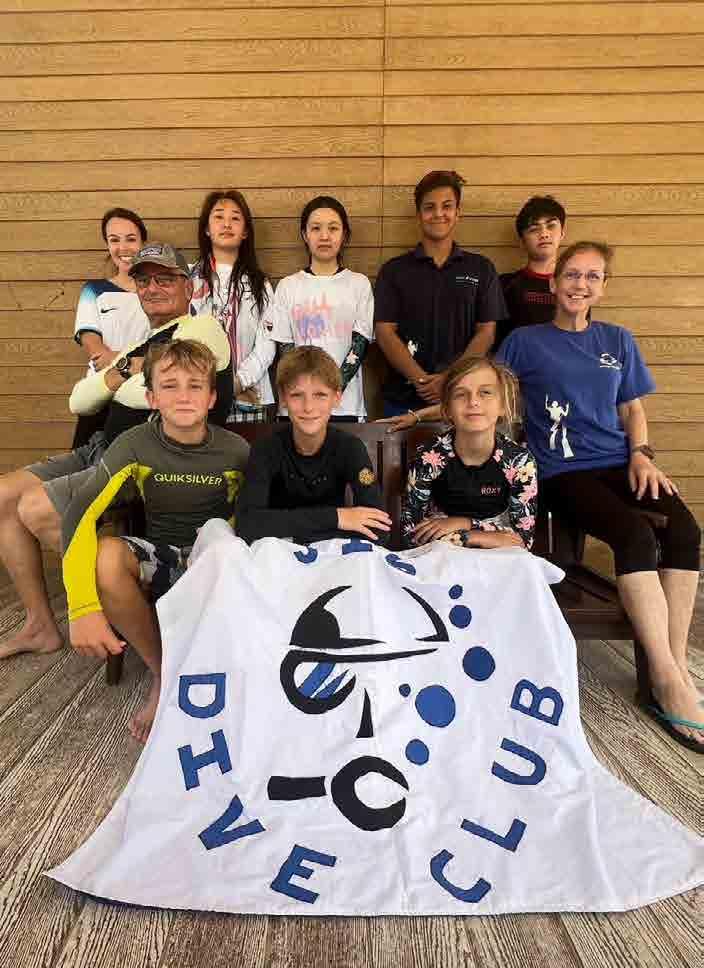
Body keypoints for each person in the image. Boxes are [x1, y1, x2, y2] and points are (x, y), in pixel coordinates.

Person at [495, 240, 703, 752]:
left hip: (621, 463)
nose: (580, 284)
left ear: (603, 287)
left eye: (592, 277)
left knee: (685, 530)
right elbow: (489, 392)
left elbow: (632, 409)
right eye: (572, 274)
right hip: (562, 472)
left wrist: (643, 455)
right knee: (634, 535)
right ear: (554, 282)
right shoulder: (524, 342)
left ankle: (672, 665)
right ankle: (666, 678)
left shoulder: (617, 340)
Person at [0, 242, 233, 661]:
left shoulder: (201, 329)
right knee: (3, 496)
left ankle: (116, 604)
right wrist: (127, 368)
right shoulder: (137, 345)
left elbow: (154, 395)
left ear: (188, 287)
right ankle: (40, 625)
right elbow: (79, 400)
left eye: (165, 279)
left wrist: (116, 379)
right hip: (97, 446)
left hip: (140, 459)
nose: (152, 287)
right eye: (143, 280)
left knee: (35, 508)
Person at [64, 339, 249, 742]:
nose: (183, 396)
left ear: (212, 397)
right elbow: (80, 513)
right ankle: (163, 672)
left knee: (231, 549)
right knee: (107, 556)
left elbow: (257, 520)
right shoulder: (134, 443)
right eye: (169, 386)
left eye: (195, 386)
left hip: (216, 563)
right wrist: (82, 607)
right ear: (151, 398)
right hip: (161, 557)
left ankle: (227, 679)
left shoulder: (236, 450)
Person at [374, 170, 506, 417]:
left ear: (458, 212)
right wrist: (422, 381)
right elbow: (384, 332)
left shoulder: (481, 268)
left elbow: (486, 333)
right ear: (418, 214)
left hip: (463, 399)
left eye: (447, 206)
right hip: (402, 400)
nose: (438, 214)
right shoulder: (393, 271)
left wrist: (450, 378)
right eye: (429, 207)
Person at [237, 346, 391, 545]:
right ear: (282, 398)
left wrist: (293, 530)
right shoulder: (265, 449)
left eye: (320, 395)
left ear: (337, 398)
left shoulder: (351, 448)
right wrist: (337, 518)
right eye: (297, 395)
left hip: (330, 555)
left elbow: (379, 528)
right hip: (279, 555)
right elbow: (247, 525)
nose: (308, 407)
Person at [401, 356, 537, 551]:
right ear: (447, 409)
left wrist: (465, 526)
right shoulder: (428, 458)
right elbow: (411, 534)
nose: (473, 402)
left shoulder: (520, 462)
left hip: (500, 560)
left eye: (485, 392)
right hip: (443, 557)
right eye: (461, 394)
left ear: (502, 405)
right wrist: (493, 535)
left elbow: (522, 541)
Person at [269, 195, 373, 422]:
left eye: (333, 228)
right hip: (297, 408)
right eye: (316, 228)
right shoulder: (287, 286)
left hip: (345, 408)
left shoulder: (359, 284)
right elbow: (286, 349)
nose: (324, 236)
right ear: (304, 235)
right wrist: (308, 394)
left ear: (344, 234)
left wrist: (331, 392)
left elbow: (360, 345)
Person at [189, 189, 275, 423]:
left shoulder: (260, 283)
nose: (226, 224)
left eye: (235, 218)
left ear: (245, 231)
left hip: (248, 397)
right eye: (218, 216)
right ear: (206, 228)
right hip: (194, 396)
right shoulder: (188, 278)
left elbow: (267, 345)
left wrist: (238, 382)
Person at [72, 207, 151, 446]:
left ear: (143, 243)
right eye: (114, 240)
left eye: (131, 239)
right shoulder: (93, 290)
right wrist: (134, 363)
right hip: (100, 395)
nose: (123, 248)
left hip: (143, 398)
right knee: (88, 462)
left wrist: (119, 359)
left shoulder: (158, 292)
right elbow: (96, 351)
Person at [496, 194, 566, 348]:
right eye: (534, 229)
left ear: (562, 233)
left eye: (551, 226)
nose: (544, 234)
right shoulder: (504, 285)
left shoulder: (577, 285)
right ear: (522, 241)